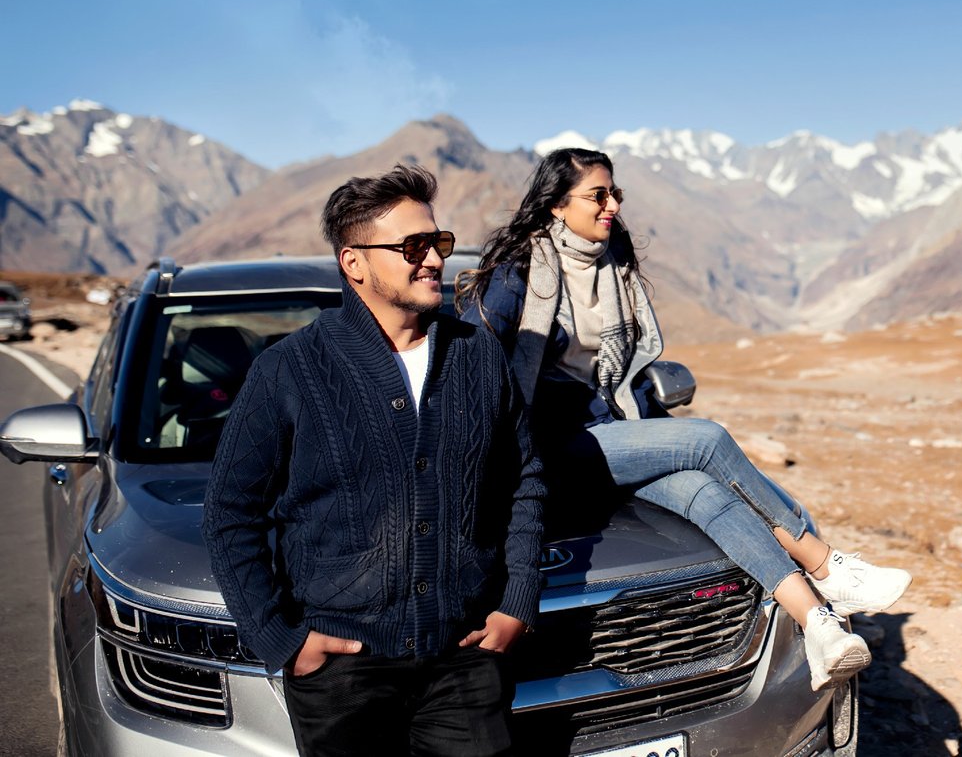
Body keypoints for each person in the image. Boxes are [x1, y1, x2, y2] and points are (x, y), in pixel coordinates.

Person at [458, 147, 910, 691]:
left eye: (615, 193)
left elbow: (621, 371)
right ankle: (824, 564)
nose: (611, 205)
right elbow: (469, 357)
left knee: (705, 492)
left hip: (611, 435)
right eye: (598, 195)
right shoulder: (519, 273)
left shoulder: (612, 262)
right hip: (548, 447)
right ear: (556, 204)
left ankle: (818, 627)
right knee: (706, 439)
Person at [205, 164, 545, 757]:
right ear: (354, 263)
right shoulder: (289, 369)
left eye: (438, 242)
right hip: (342, 676)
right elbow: (230, 513)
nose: (434, 259)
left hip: (464, 662)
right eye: (412, 246)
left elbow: (525, 481)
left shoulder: (479, 357)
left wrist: (518, 599)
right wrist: (280, 639)